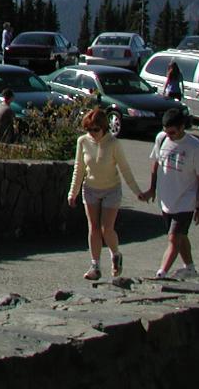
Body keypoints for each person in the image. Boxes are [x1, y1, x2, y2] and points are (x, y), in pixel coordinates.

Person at [67, 107, 143, 280]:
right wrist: (73, 192)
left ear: (104, 128)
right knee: (93, 227)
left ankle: (115, 254)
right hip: (91, 188)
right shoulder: (83, 142)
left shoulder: (113, 143)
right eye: (89, 129)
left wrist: (137, 191)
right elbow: (79, 168)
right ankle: (95, 265)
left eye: (96, 129)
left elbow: (125, 168)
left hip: (111, 189)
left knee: (106, 228)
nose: (92, 133)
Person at [139, 106, 199, 279]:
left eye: (172, 132)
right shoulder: (161, 139)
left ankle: (161, 272)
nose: (169, 135)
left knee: (173, 238)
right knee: (180, 236)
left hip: (186, 200)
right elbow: (155, 164)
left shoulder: (194, 146)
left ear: (182, 127)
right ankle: (190, 268)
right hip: (166, 199)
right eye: (166, 131)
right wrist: (152, 189)